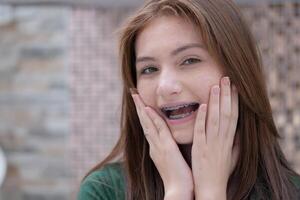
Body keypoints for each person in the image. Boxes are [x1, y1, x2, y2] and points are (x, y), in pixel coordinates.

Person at [77, 0, 300, 199]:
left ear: (238, 73)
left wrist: (211, 192)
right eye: (149, 69)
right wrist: (177, 191)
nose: (165, 86)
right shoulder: (104, 191)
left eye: (189, 60)